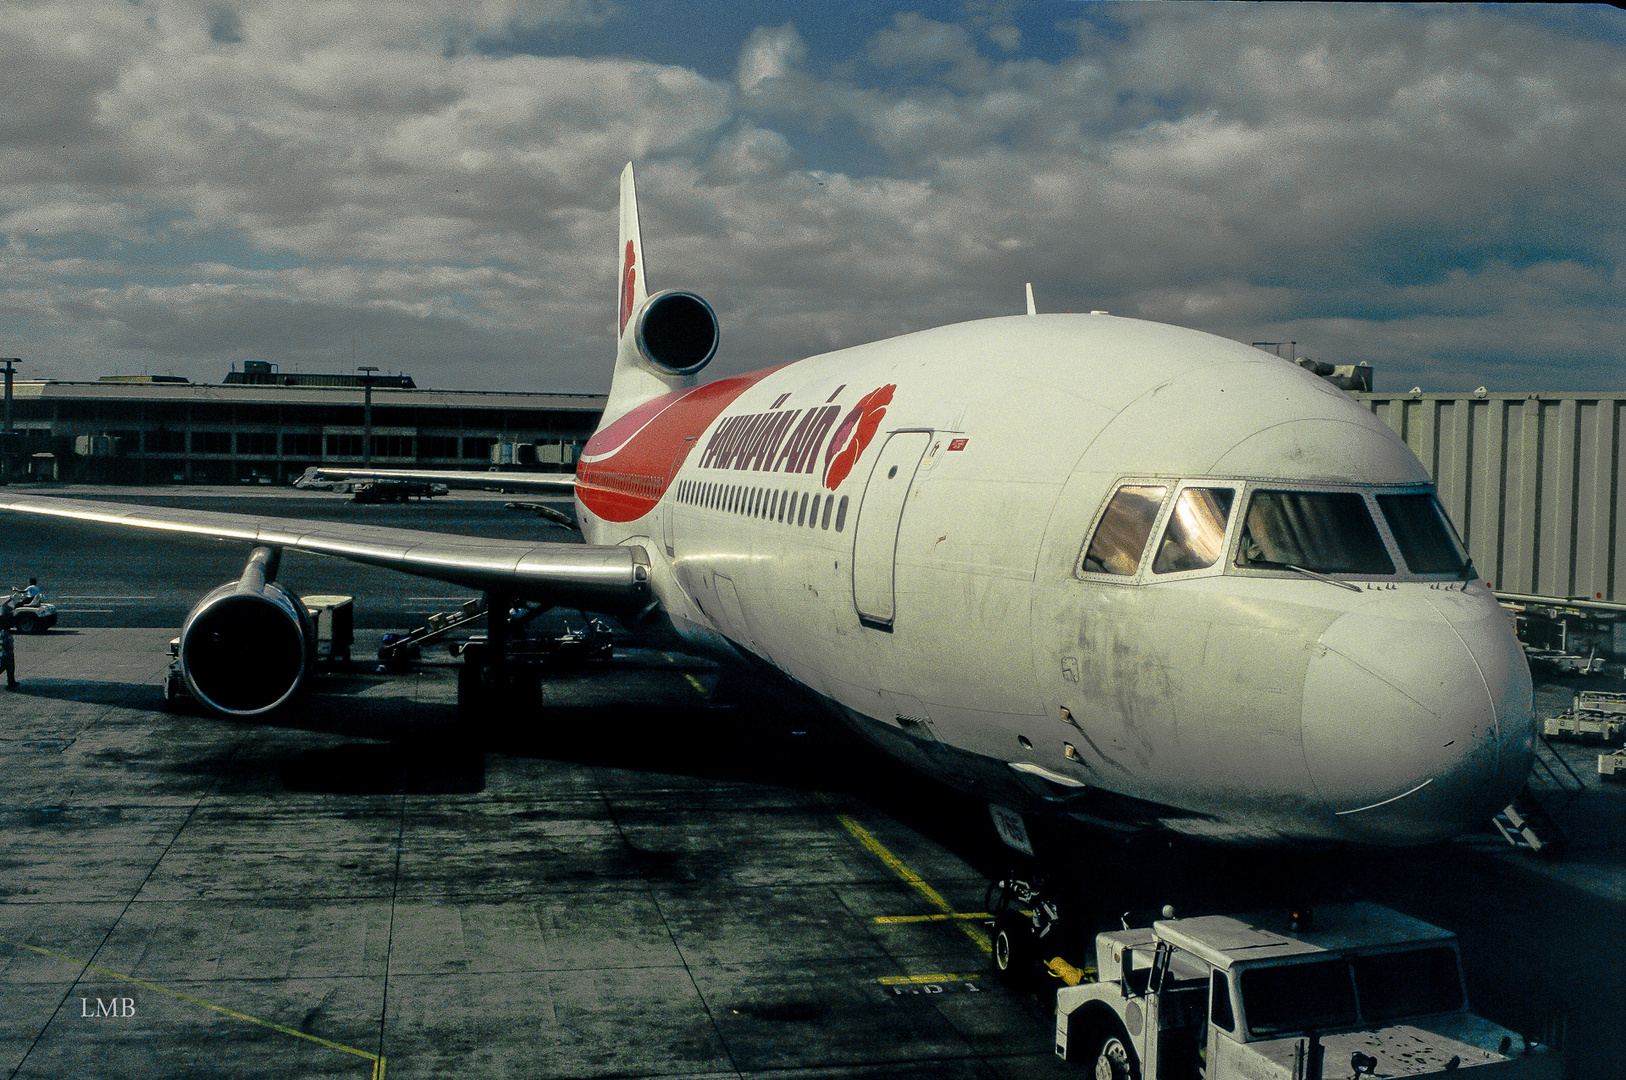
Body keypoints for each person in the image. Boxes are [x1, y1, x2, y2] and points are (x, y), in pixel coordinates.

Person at [0, 600, 17, 690]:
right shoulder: (3, 631)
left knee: (9, 667)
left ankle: (12, 681)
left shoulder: (5, 630)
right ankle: (11, 681)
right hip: (6, 652)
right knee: (5, 666)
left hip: (7, 651)